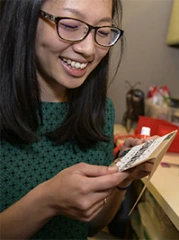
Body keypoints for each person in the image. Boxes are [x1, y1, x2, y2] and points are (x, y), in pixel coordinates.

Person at [0, 0, 154, 239]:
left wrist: (122, 175)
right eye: (71, 25)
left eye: (102, 32)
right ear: (24, 18)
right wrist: (47, 201)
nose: (89, 49)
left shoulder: (100, 112)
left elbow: (91, 226)